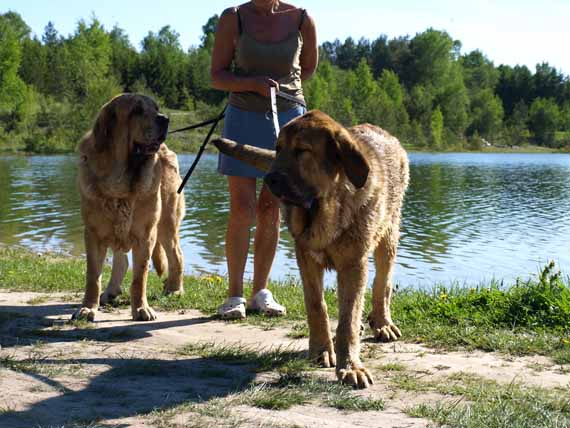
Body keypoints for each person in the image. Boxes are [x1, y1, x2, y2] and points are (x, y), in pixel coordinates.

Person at [210, 0, 318, 319]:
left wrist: (285, 91)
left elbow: (307, 69)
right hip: (242, 115)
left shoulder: (302, 19)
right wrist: (251, 85)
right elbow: (217, 75)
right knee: (242, 208)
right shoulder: (234, 18)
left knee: (271, 208)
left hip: (288, 121)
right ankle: (233, 296)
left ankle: (261, 292)